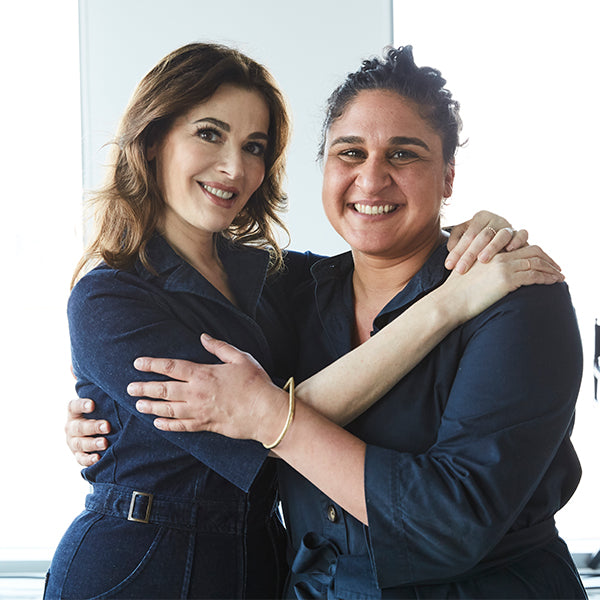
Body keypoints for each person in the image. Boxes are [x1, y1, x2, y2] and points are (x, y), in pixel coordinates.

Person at [58, 43, 562, 599]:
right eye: (208, 133)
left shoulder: (278, 281)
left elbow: (449, 515)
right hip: (140, 565)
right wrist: (444, 306)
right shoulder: (116, 295)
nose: (234, 166)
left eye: (254, 146)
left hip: (261, 565)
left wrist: (487, 230)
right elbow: (248, 428)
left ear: (447, 176)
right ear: (151, 142)